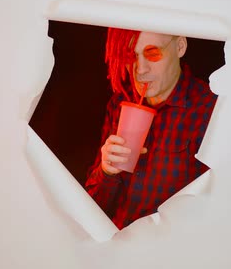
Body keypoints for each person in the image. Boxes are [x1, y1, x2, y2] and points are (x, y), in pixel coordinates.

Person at [84, 28, 217, 229]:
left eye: (152, 53)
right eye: (131, 56)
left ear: (180, 46)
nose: (140, 69)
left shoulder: (210, 109)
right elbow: (93, 210)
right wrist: (106, 171)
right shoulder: (120, 103)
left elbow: (218, 208)